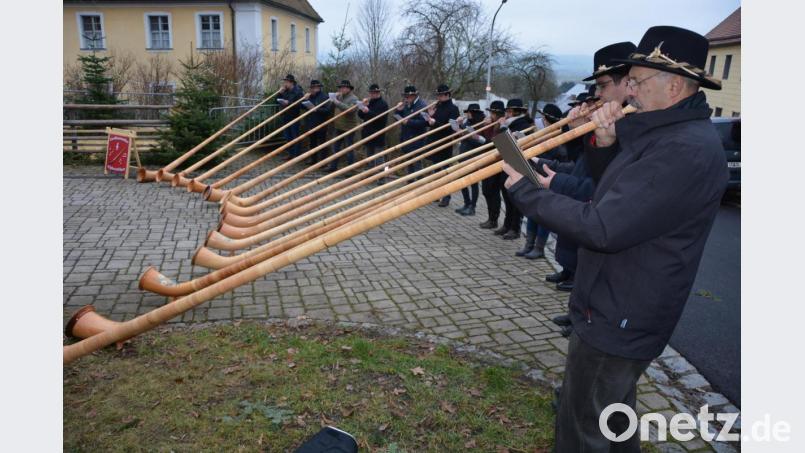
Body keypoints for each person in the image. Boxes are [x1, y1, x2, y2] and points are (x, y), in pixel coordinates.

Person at [503, 26, 727, 451]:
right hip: (619, 302)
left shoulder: (682, 149)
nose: (630, 90)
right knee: (613, 421)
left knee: (583, 428)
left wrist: (525, 192)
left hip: (622, 311)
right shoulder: (663, 135)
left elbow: (603, 225)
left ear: (674, 86)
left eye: (637, 81)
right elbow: (623, 198)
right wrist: (605, 145)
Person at [516, 103, 565, 260]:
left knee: (543, 214)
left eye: (544, 118)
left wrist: (543, 145)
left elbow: (560, 157)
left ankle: (539, 247)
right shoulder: (543, 133)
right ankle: (529, 244)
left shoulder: (560, 137)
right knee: (532, 211)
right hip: (537, 175)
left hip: (549, 177)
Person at [494, 98, 531, 240]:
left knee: (515, 199)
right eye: (507, 111)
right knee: (507, 197)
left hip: (517, 164)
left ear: (516, 112)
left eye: (509, 111)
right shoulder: (510, 123)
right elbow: (499, 141)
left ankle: (515, 228)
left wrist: (503, 127)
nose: (507, 114)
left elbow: (510, 142)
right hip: (507, 161)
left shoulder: (523, 124)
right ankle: (507, 224)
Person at [425, 84, 460, 207]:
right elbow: (431, 124)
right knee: (436, 169)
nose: (438, 97)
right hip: (434, 140)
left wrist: (435, 122)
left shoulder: (453, 109)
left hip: (445, 142)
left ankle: (446, 196)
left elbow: (451, 128)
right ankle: (437, 193)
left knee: (445, 170)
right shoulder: (437, 106)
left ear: (447, 95)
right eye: (438, 95)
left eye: (440, 95)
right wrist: (430, 116)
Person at [454, 103, 487, 216]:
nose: (467, 114)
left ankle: (472, 207)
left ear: (474, 113)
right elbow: (460, 136)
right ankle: (466, 203)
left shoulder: (481, 124)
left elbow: (479, 142)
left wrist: (464, 134)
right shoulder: (467, 122)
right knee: (462, 181)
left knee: (473, 182)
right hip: (463, 154)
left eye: (469, 113)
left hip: (473, 156)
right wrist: (458, 127)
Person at [478, 100, 505, 229]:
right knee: (486, 191)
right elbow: (485, 139)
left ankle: (493, 219)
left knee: (493, 191)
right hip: (487, 161)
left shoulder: (501, 126)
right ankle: (490, 217)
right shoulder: (492, 124)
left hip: (496, 163)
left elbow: (494, 142)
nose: (491, 115)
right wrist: (485, 126)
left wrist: (490, 127)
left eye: (493, 113)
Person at [356, 84, 390, 175]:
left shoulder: (383, 104)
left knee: (379, 156)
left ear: (379, 93)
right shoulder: (369, 102)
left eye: (375, 93)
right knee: (369, 155)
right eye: (371, 93)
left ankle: (381, 175)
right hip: (368, 132)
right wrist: (362, 107)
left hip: (378, 133)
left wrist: (368, 111)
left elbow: (380, 118)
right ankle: (370, 173)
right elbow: (361, 115)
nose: (373, 94)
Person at [396, 85, 429, 176]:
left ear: (414, 95)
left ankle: (419, 181)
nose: (406, 98)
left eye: (408, 96)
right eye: (405, 96)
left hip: (417, 139)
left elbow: (424, 122)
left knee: (417, 162)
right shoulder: (406, 104)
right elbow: (398, 118)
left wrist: (409, 122)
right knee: (409, 162)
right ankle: (410, 180)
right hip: (406, 137)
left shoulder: (422, 105)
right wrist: (398, 111)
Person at [329, 80, 360, 172]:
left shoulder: (354, 98)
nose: (342, 89)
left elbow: (350, 110)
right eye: (341, 88)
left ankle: (350, 169)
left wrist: (336, 102)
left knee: (349, 149)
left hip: (348, 128)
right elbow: (332, 108)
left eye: (344, 88)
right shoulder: (339, 97)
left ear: (349, 89)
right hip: (338, 126)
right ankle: (333, 167)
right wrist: (333, 99)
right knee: (335, 148)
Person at [302, 79, 333, 165]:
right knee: (312, 142)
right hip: (311, 123)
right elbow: (302, 107)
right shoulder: (310, 96)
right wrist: (304, 100)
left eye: (315, 87)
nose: (313, 89)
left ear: (319, 88)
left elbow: (327, 110)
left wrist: (316, 109)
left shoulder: (324, 97)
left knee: (322, 143)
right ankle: (313, 159)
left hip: (321, 123)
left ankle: (323, 161)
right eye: (312, 88)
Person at [276, 74, 305, 159]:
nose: (285, 84)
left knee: (294, 136)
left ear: (291, 82)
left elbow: (301, 104)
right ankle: (290, 154)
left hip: (294, 116)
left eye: (286, 82)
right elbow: (276, 101)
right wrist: (279, 93)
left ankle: (296, 155)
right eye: (284, 82)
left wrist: (289, 103)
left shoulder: (298, 91)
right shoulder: (285, 91)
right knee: (287, 136)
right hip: (285, 115)